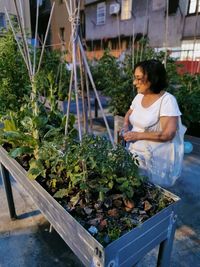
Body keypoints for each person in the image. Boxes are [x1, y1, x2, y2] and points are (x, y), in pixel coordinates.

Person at [122, 59, 186, 187]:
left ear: (153, 78)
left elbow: (167, 134)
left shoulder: (167, 101)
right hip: (135, 152)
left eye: (139, 79)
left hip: (155, 159)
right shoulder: (139, 96)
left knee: (152, 191)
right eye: (135, 78)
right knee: (134, 185)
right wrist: (125, 126)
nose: (135, 83)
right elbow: (129, 113)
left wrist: (137, 135)